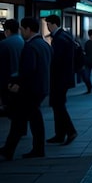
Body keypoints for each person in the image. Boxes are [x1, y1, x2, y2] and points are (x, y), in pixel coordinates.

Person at [0, 18, 51, 160]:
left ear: (29, 29)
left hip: (30, 90)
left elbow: (28, 69)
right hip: (41, 87)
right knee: (29, 119)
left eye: (23, 29)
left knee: (21, 119)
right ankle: (24, 149)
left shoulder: (31, 46)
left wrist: (18, 84)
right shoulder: (44, 44)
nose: (21, 32)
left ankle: (12, 150)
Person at [43, 15, 77, 146]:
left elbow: (56, 60)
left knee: (58, 105)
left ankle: (70, 131)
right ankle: (60, 134)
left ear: (53, 24)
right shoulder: (65, 35)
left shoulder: (59, 39)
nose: (47, 27)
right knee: (58, 105)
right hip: (64, 77)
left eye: (48, 24)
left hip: (59, 78)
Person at [0, 19, 25, 132]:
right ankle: (21, 128)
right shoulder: (22, 41)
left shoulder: (4, 44)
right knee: (19, 107)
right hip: (21, 79)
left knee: (11, 107)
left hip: (9, 80)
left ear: (7, 31)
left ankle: (17, 130)